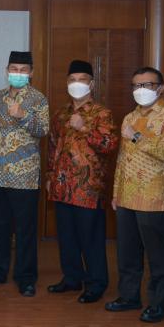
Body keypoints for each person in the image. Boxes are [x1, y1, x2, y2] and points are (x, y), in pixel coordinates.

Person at [107, 66, 164, 323]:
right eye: (136, 85)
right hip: (127, 195)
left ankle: (158, 303)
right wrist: (116, 192)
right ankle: (129, 296)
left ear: (160, 88)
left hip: (153, 197)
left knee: (158, 254)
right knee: (127, 252)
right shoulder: (129, 117)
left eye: (147, 85)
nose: (140, 90)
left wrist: (137, 136)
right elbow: (122, 159)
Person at [46, 60, 118, 304]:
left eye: (82, 79)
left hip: (88, 187)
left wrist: (85, 127)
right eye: (72, 80)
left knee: (91, 239)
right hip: (61, 185)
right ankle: (72, 278)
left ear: (92, 84)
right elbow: (52, 147)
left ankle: (96, 283)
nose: (77, 84)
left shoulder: (102, 113)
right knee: (66, 237)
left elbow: (109, 146)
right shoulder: (60, 114)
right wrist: (49, 176)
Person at [0, 51, 49, 297]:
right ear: (7, 70)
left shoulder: (38, 99)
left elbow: (43, 130)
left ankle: (26, 277)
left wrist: (23, 116)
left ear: (31, 72)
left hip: (24, 176)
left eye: (23, 69)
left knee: (25, 231)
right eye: (14, 69)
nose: (17, 73)